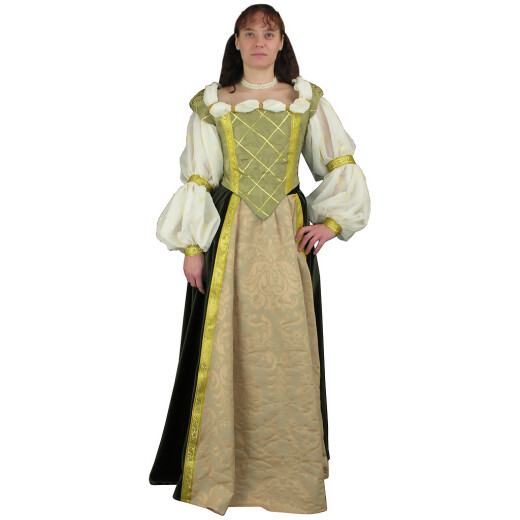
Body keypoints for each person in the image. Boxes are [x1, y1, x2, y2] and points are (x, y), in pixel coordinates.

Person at [149, 3, 371, 515]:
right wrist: (192, 248)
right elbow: (200, 175)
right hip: (231, 240)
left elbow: (338, 162)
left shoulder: (305, 101)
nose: (258, 42)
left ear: (281, 41)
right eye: (249, 33)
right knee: (227, 345)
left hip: (286, 242)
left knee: (288, 349)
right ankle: (221, 471)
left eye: (268, 34)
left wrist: (332, 223)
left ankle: (286, 475)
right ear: (236, 41)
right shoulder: (214, 103)